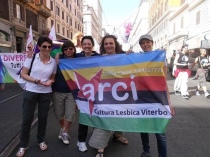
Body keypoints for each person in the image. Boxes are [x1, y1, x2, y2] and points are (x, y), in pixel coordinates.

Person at [16, 36, 57, 157]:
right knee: (27, 119)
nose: (47, 48)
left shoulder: (53, 61)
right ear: (39, 47)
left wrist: (51, 81)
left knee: (43, 118)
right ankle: (23, 144)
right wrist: (35, 81)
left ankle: (41, 140)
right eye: (44, 46)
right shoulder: (32, 57)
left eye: (49, 46)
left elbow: (53, 76)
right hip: (31, 90)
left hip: (46, 92)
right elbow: (23, 74)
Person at [89, 35, 128, 157]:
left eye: (111, 43)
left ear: (115, 44)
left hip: (121, 93)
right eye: (106, 44)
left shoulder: (124, 57)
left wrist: (131, 56)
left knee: (120, 116)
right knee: (106, 117)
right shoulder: (100, 59)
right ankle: (100, 146)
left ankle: (117, 135)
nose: (108, 46)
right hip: (105, 94)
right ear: (103, 46)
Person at [138, 34, 175, 157]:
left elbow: (164, 82)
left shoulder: (160, 57)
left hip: (158, 98)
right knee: (143, 128)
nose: (145, 45)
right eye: (142, 43)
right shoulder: (137, 57)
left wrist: (169, 102)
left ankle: (162, 155)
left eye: (147, 42)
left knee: (160, 130)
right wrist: (127, 54)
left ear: (152, 43)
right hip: (142, 98)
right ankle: (146, 151)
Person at [76, 36, 101, 152]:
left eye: (89, 44)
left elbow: (113, 59)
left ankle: (97, 140)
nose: (87, 46)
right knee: (84, 115)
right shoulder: (77, 57)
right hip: (82, 92)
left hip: (97, 91)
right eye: (84, 44)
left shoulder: (99, 57)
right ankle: (81, 141)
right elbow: (64, 58)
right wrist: (58, 56)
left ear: (92, 45)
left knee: (96, 115)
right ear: (81, 46)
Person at [52, 40, 77, 145]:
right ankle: (62, 128)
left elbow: (93, 55)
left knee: (70, 113)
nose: (68, 51)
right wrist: (58, 54)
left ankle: (66, 132)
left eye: (70, 48)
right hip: (58, 91)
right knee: (58, 114)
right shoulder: (58, 59)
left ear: (74, 49)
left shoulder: (78, 58)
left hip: (72, 92)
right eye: (65, 49)